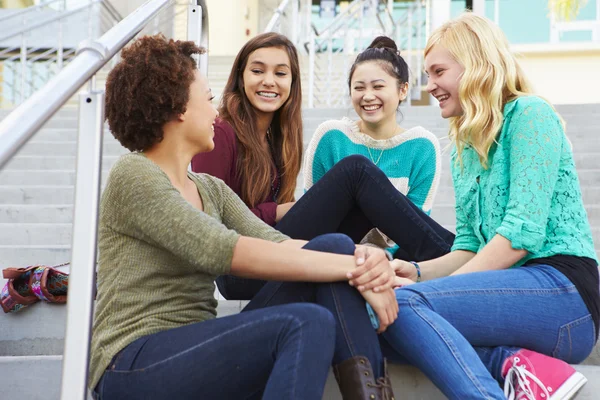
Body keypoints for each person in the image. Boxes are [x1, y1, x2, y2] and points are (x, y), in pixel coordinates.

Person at [88, 35, 400, 400]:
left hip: (197, 349)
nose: (216, 113)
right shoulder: (135, 174)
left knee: (332, 245)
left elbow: (281, 244)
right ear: (177, 108)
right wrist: (356, 269)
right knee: (308, 321)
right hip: (133, 361)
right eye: (207, 100)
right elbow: (220, 248)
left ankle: (373, 394)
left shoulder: (210, 189)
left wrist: (365, 261)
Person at [373, 13, 599, 400]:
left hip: (563, 296)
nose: (430, 87)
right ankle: (511, 364)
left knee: (403, 306)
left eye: (438, 72)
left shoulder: (530, 115)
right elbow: (467, 247)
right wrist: (413, 270)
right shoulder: (465, 147)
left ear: (475, 65)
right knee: (371, 319)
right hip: (507, 297)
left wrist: (435, 291)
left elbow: (520, 237)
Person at [191, 33, 454, 302]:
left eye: (281, 73)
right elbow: (210, 224)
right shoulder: (221, 132)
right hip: (241, 270)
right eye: (257, 71)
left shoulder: (276, 138)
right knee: (355, 170)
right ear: (240, 77)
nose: (269, 81)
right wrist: (280, 210)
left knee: (364, 201)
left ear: (293, 83)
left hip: (273, 250)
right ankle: (454, 255)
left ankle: (451, 260)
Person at [304, 36, 441, 257]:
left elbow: (415, 226)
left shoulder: (422, 146)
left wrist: (377, 260)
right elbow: (312, 211)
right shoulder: (331, 137)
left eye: (378, 86)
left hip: (389, 261)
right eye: (359, 87)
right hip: (329, 254)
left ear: (403, 90)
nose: (368, 96)